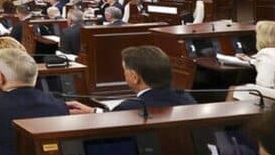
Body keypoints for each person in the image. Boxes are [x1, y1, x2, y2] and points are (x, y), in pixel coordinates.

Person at [67, 46, 195, 113]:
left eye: (124, 70)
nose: (123, 74)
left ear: (134, 77)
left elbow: (116, 120)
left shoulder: (130, 107)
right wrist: (94, 111)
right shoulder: (186, 98)